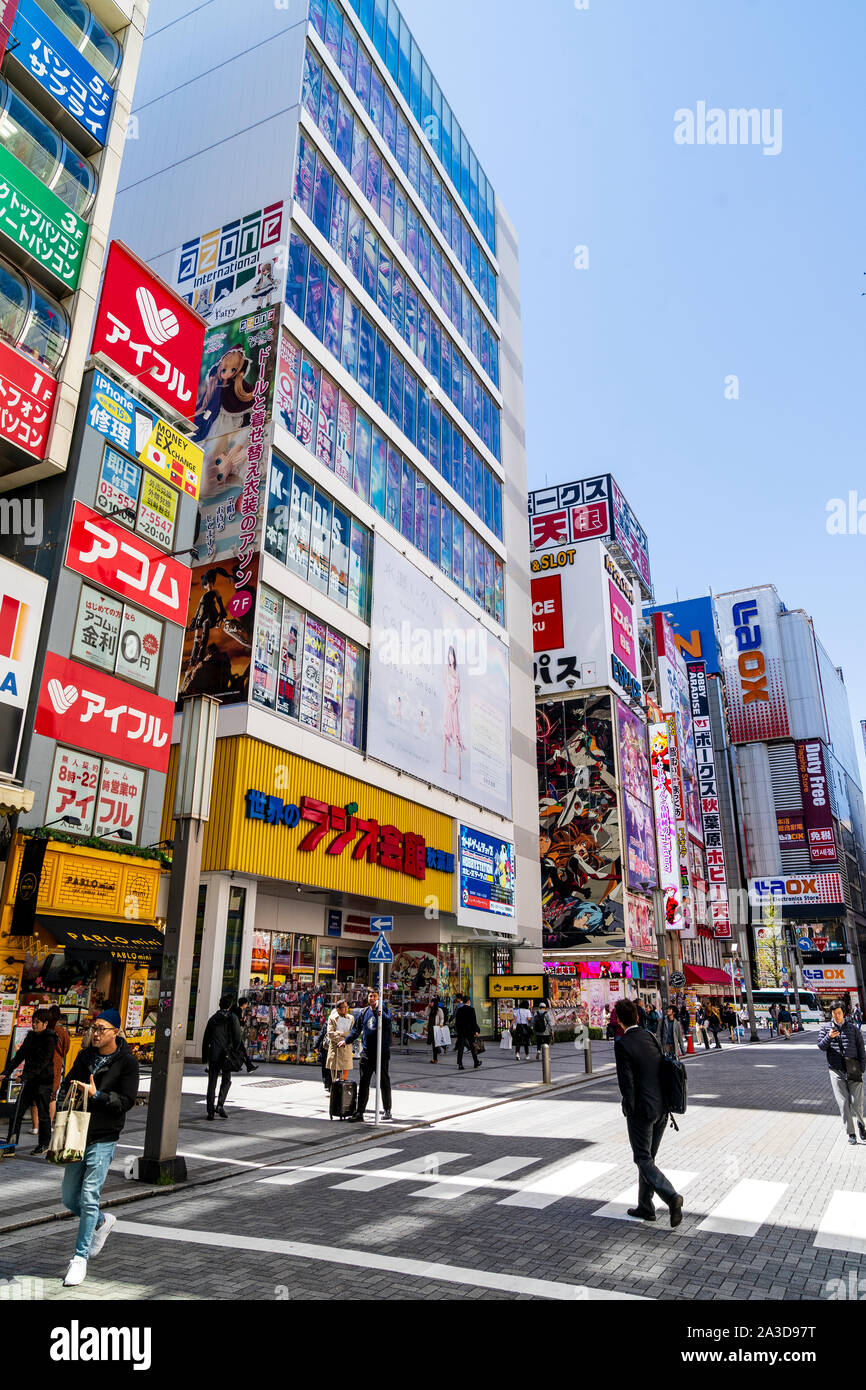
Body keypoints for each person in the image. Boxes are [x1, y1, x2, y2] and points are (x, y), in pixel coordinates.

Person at [57, 1009, 140, 1287]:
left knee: (89, 1196)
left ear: (115, 1032)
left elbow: (127, 1101)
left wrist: (99, 1095)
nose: (95, 1033)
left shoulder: (127, 1062)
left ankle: (79, 1258)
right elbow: (69, 1081)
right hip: (77, 1133)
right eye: (94, 1028)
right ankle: (103, 1222)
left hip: (104, 1136)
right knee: (70, 1198)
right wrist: (62, 1100)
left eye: (102, 1029)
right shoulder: (85, 1057)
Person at [613, 998, 684, 1227]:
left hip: (641, 1110)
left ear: (619, 1021)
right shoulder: (650, 1037)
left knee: (642, 1158)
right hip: (662, 1108)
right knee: (648, 1160)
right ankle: (645, 1206)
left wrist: (629, 1107)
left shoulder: (623, 1044)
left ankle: (671, 1197)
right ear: (636, 1016)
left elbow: (627, 1083)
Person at [0, 1008, 57, 1154]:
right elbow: (20, 1056)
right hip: (30, 1081)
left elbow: (43, 1062)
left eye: (37, 1022)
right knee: (17, 1112)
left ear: (45, 1024)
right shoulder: (30, 1037)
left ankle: (44, 1144)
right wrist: (6, 1072)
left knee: (43, 1114)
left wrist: (25, 1076)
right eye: (33, 1022)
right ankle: (10, 1145)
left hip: (43, 1081)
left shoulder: (49, 1039)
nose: (34, 1025)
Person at [818, 999, 866, 1145]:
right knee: (843, 1103)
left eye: (838, 1013)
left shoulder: (853, 1029)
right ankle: (851, 1133)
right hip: (836, 1070)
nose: (836, 1016)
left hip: (854, 1069)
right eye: (833, 1013)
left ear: (843, 1013)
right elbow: (821, 1046)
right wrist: (829, 1037)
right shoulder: (826, 1029)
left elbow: (861, 1050)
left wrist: (862, 1069)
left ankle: (861, 1124)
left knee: (857, 1102)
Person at [346, 988, 392, 1122]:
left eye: (374, 996)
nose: (372, 998)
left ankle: (387, 1110)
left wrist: (379, 1010)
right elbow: (356, 1030)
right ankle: (360, 1112)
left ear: (379, 998)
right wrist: (346, 1041)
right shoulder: (364, 1012)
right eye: (370, 996)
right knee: (364, 1082)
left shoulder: (384, 1011)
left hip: (381, 1053)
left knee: (384, 1081)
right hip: (367, 1053)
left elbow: (388, 1022)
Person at [202, 993, 243, 1119]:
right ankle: (220, 1104)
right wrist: (235, 1051)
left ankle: (210, 1111)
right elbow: (237, 1036)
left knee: (212, 1081)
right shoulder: (233, 1018)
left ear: (220, 1005)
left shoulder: (213, 1019)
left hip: (214, 1053)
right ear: (230, 1006)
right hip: (227, 1054)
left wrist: (204, 1057)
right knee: (226, 1079)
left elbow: (206, 1038)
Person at [47, 1004, 71, 1124]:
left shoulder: (44, 1029)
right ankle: (49, 1122)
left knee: (36, 1099)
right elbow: (66, 1048)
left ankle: (36, 1126)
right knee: (52, 1096)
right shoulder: (61, 1031)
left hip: (43, 1063)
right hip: (56, 1063)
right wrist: (60, 1054)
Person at [327, 998, 355, 1083]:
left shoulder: (350, 1018)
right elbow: (331, 1034)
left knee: (344, 1078)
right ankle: (335, 1094)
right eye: (344, 1007)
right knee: (335, 1078)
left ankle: (343, 1094)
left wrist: (342, 1036)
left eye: (347, 1006)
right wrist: (343, 1038)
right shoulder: (332, 1018)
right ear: (338, 1009)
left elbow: (352, 1033)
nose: (346, 1009)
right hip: (336, 1050)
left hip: (346, 1049)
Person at [453, 994, 482, 1071]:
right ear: (468, 1001)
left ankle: (460, 1064)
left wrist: (458, 1031)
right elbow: (474, 1022)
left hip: (461, 1032)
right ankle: (476, 1062)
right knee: (473, 1047)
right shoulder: (471, 1009)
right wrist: (476, 1031)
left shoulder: (460, 1010)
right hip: (470, 1032)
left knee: (461, 1048)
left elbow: (457, 1022)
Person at [230, 1001, 258, 1073]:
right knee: (241, 1051)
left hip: (235, 1035)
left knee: (241, 1051)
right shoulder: (238, 1010)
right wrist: (244, 1020)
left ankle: (248, 1066)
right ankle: (247, 1066)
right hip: (235, 1035)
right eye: (246, 1003)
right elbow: (239, 1022)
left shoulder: (238, 1010)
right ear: (244, 1003)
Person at [426, 995, 445, 1064]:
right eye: (431, 1002)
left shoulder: (439, 1010)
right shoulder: (430, 1009)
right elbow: (425, 1014)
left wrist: (441, 1024)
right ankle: (442, 1048)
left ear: (435, 1003)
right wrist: (428, 1007)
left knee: (434, 1044)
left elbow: (442, 1018)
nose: (431, 1003)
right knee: (433, 1043)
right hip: (430, 1028)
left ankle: (435, 1059)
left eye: (432, 1002)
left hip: (436, 1028)